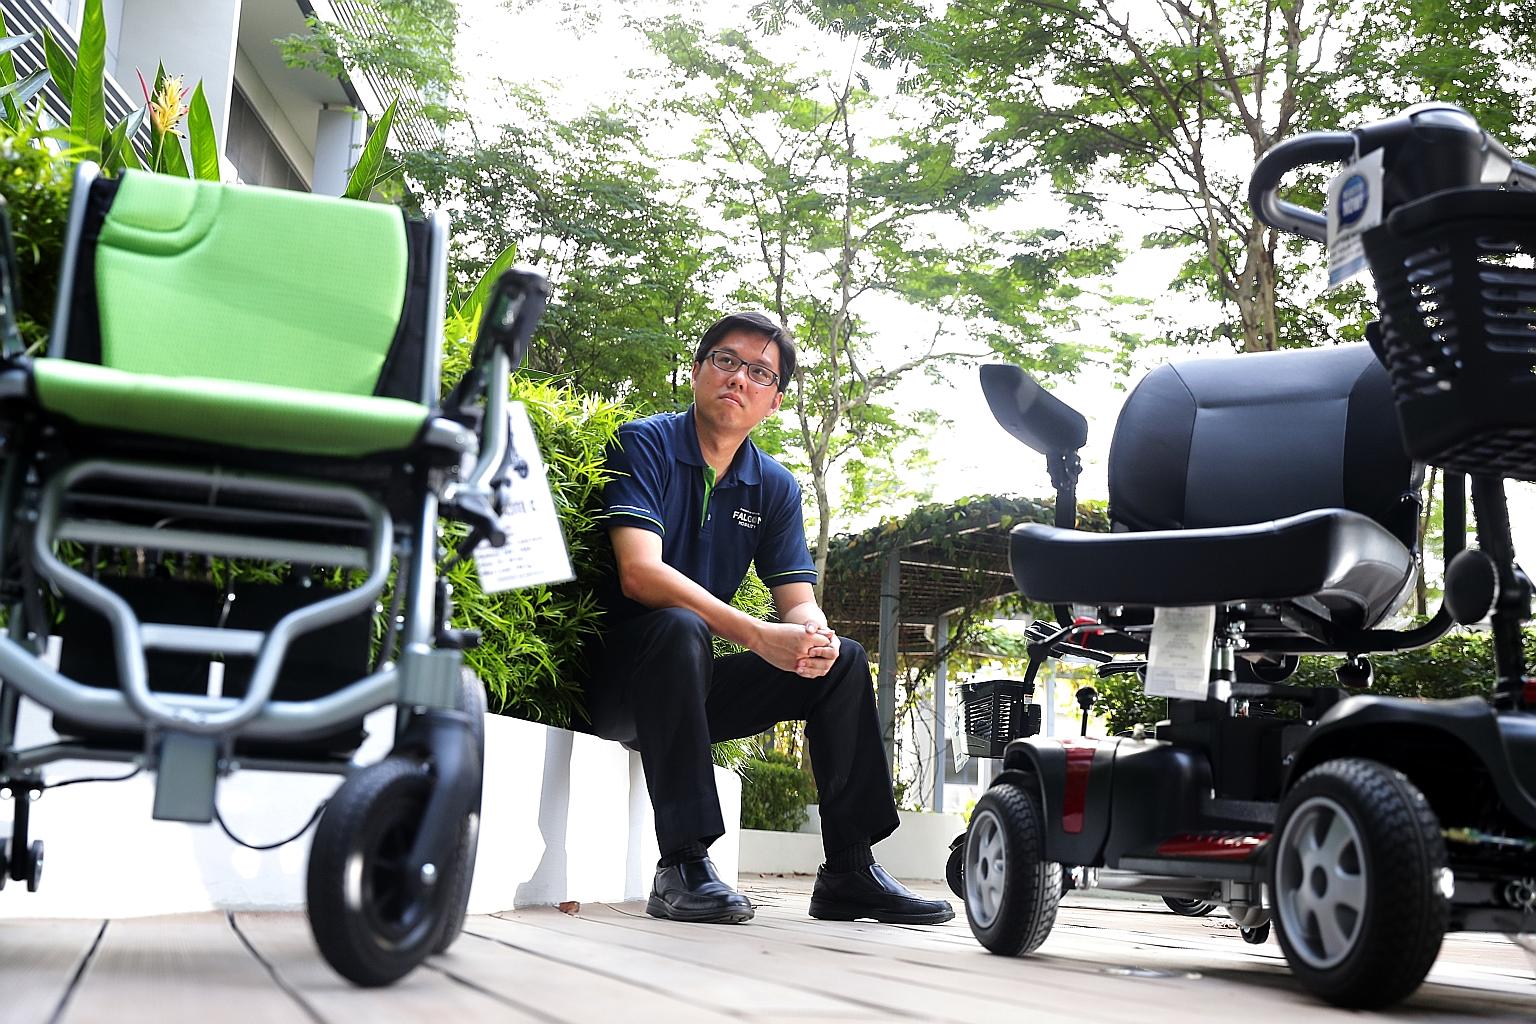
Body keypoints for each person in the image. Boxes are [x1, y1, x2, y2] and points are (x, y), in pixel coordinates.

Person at [583, 311, 954, 926]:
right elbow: (639, 573)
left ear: (774, 402)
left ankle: (849, 870)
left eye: (760, 372)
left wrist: (813, 636)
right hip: (621, 681)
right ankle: (683, 863)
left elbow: (796, 597)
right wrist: (757, 635)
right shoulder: (643, 442)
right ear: (698, 370)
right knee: (680, 628)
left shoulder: (773, 486)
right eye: (726, 361)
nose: (739, 379)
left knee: (843, 662)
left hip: (691, 690)